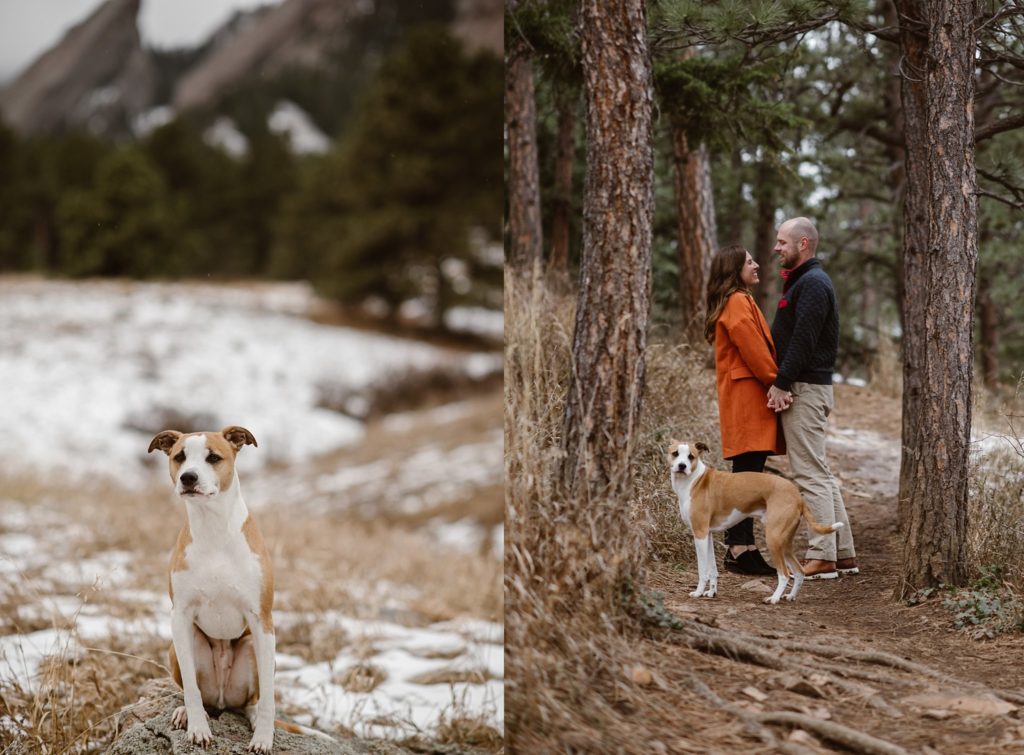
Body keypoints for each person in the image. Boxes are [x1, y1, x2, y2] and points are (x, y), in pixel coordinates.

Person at [767, 217, 857, 579]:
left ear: (803, 244)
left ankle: (822, 555)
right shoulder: (806, 281)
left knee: (809, 475)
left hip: (805, 388)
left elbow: (804, 340)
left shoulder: (814, 284)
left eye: (782, 242)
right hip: (807, 386)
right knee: (818, 472)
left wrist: (782, 382)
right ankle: (844, 552)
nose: (776, 248)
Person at [703, 245, 783, 576]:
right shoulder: (736, 302)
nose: (757, 264)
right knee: (747, 475)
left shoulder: (741, 298)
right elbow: (753, 349)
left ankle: (743, 547)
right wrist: (779, 382)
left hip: (748, 394)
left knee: (749, 472)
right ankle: (738, 548)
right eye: (750, 261)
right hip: (747, 395)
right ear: (734, 269)